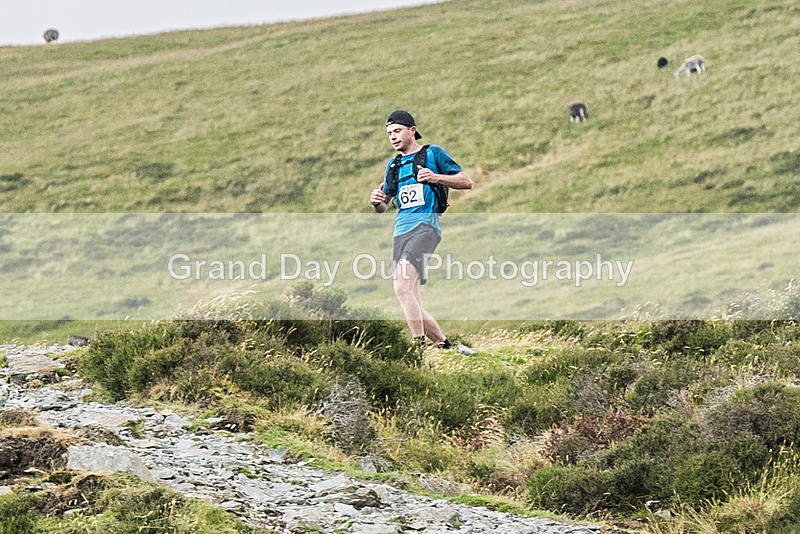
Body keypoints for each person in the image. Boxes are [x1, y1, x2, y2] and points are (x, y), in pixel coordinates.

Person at [369, 110, 476, 355]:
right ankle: (446, 348)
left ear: (412, 130)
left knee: (401, 287)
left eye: (397, 131)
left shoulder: (432, 153)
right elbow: (384, 206)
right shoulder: (393, 165)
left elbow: (467, 181)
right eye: (389, 133)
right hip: (400, 232)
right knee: (411, 297)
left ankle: (417, 348)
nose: (392, 137)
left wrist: (436, 177)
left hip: (425, 228)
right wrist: (376, 202)